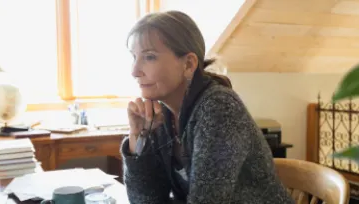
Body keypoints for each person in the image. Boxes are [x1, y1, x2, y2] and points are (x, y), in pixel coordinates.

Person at [120, 10, 294, 204]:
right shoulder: (162, 115)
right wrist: (138, 137)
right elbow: (146, 200)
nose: (134, 71)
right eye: (134, 57)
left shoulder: (219, 110)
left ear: (188, 64)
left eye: (149, 57)